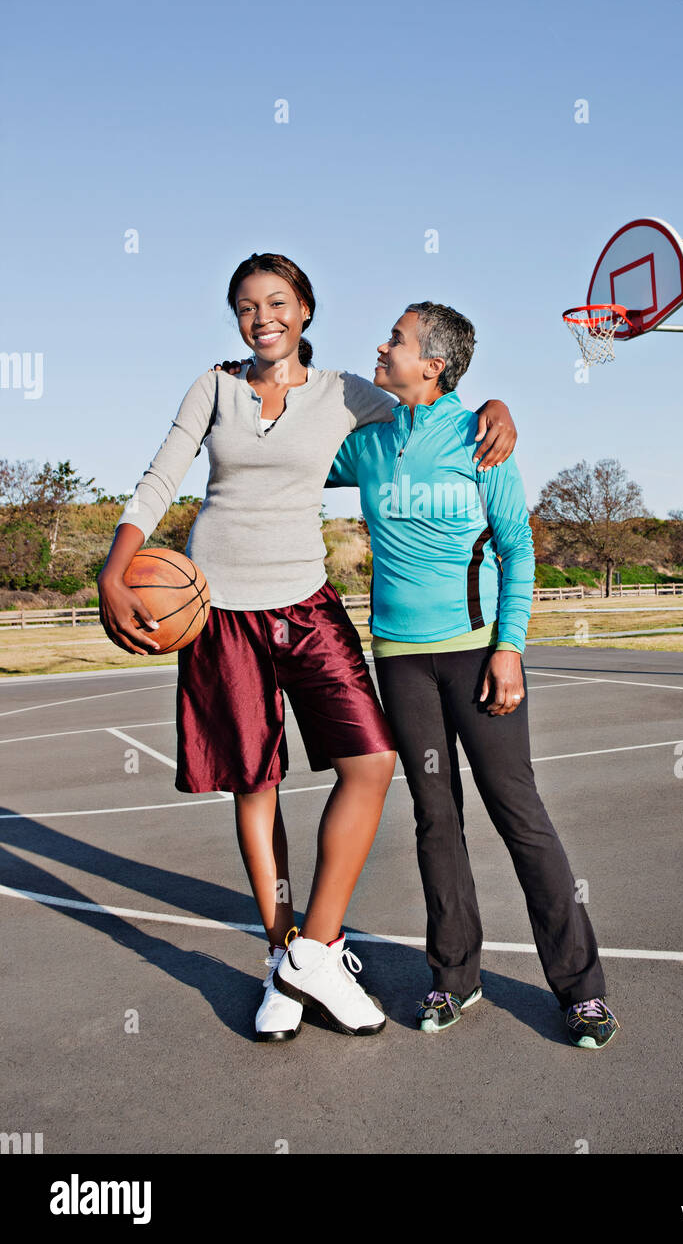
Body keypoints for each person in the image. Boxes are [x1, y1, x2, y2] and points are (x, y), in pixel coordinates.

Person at [98, 254, 517, 1042]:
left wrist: (491, 403)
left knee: (371, 763)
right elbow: (160, 477)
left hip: (306, 604)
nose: (264, 317)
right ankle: (280, 955)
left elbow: (426, 408)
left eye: (279, 302)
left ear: (306, 311)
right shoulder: (213, 387)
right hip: (218, 608)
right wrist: (116, 566)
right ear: (237, 319)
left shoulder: (343, 395)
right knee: (255, 787)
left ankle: (315, 950)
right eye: (248, 305)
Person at [309, 302, 619, 1049]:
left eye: (397, 339)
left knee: (519, 814)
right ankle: (454, 976)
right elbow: (296, 449)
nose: (382, 346)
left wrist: (509, 648)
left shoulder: (482, 437)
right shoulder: (369, 444)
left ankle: (580, 990)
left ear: (433, 364)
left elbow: (518, 548)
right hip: (400, 659)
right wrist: (254, 380)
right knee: (434, 818)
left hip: (478, 653)